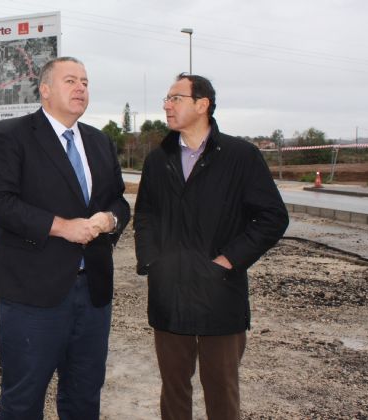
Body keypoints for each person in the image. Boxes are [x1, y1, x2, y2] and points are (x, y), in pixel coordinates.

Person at [0, 56, 130, 420]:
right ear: (45, 91)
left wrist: (110, 219)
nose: (81, 88)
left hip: (92, 292)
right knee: (23, 400)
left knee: (84, 395)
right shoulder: (12, 134)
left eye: (86, 82)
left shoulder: (99, 140)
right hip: (32, 294)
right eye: (71, 81)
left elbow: (119, 199)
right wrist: (62, 226)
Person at [133, 73, 288, 420]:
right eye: (167, 98)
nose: (166, 105)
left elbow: (273, 217)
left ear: (202, 105)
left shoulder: (240, 156)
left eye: (175, 98)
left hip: (220, 293)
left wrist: (228, 260)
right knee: (173, 389)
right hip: (169, 294)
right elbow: (145, 214)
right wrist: (152, 261)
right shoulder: (159, 159)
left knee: (221, 389)